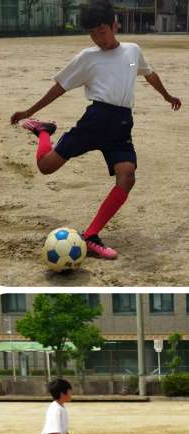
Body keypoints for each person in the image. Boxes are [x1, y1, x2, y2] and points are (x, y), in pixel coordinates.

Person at [11, 0, 181, 260]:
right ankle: (43, 131)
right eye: (92, 34)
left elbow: (148, 73)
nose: (98, 38)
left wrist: (167, 96)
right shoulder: (87, 58)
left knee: (127, 176)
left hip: (122, 124)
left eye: (102, 31)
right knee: (46, 167)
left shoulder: (132, 51)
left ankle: (91, 236)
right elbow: (60, 87)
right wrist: (28, 111)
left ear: (115, 25)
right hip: (95, 121)